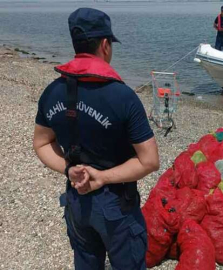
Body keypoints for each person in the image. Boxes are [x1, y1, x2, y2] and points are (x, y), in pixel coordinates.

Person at [32, 8, 159, 270]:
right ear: (105, 45)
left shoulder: (53, 92)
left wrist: (69, 170)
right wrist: (101, 177)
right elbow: (150, 161)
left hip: (77, 199)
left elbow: (41, 142)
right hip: (116, 205)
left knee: (86, 261)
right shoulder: (123, 98)